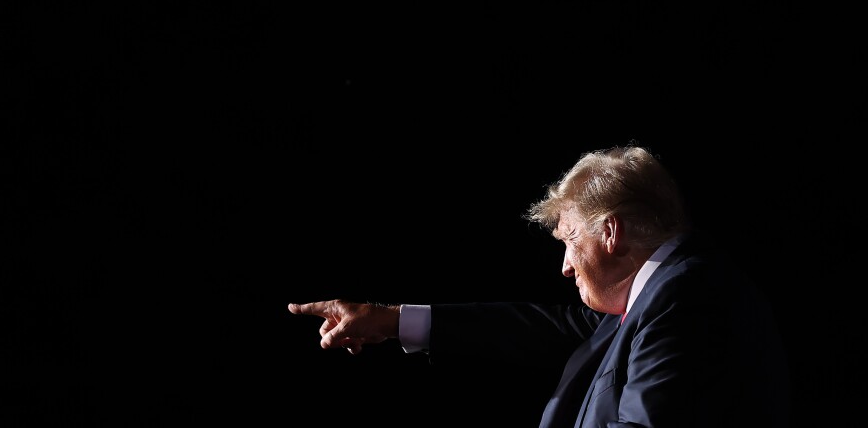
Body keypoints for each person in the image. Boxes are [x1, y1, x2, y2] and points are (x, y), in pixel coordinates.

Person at [288, 144, 791, 427]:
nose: (566, 267)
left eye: (570, 240)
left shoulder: (686, 298)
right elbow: (539, 329)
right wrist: (393, 321)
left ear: (610, 233)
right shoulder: (659, 299)